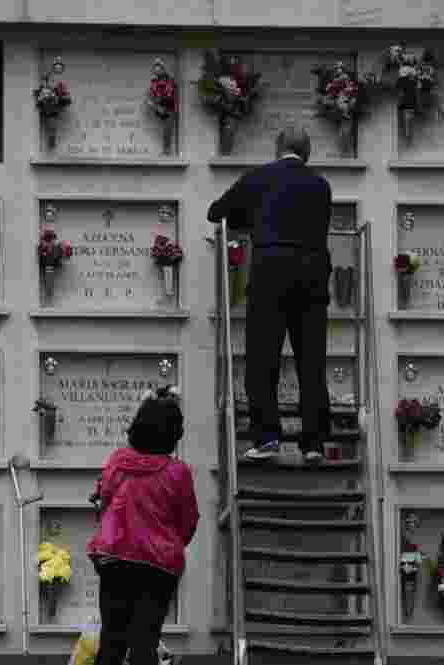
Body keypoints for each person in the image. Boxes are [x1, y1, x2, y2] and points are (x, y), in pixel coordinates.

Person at [207, 125, 333, 464]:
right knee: (312, 363)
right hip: (312, 280)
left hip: (270, 276)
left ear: (278, 148)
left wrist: (251, 219)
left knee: (263, 360)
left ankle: (267, 437)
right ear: (306, 153)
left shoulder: (258, 178)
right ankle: (314, 443)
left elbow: (216, 212)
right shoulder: (321, 185)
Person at [87, 386, 199, 665]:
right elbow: (188, 520)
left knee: (112, 639)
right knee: (145, 643)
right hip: (157, 566)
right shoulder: (178, 472)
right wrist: (169, 542)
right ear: (173, 433)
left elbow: (106, 501)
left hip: (115, 558)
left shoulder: (117, 462)